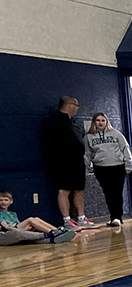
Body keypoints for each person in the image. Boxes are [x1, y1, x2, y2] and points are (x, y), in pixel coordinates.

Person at [42, 95, 90, 228]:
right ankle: (67, 220)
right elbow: (51, 144)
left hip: (78, 162)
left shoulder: (72, 122)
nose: (77, 110)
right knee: (64, 190)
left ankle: (81, 217)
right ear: (70, 105)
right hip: (63, 162)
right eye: (77, 106)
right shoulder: (54, 122)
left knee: (79, 189)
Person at [82, 112, 132, 226]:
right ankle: (113, 216)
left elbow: (125, 148)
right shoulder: (88, 137)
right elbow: (87, 154)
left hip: (117, 166)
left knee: (117, 192)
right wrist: (85, 170)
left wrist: (128, 164)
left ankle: (117, 217)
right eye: (98, 120)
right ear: (94, 122)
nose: (100, 123)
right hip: (101, 168)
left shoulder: (116, 134)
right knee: (108, 193)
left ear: (107, 122)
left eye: (103, 120)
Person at [0, 191, 76, 245]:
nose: (3, 202)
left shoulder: (13, 214)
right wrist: (22, 230)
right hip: (10, 231)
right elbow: (6, 227)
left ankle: (56, 231)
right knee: (30, 219)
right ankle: (53, 233)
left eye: (6, 200)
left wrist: (26, 229)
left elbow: (19, 223)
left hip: (17, 228)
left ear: (11, 201)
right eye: (1, 200)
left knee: (35, 219)